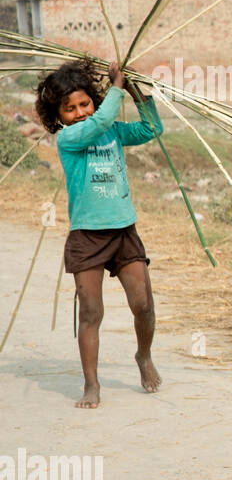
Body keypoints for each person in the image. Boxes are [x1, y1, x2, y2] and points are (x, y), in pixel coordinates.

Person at [35, 59, 164, 408]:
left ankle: (144, 355)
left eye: (84, 104)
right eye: (69, 109)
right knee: (91, 313)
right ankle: (91, 384)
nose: (79, 112)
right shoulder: (70, 138)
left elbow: (153, 128)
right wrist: (117, 88)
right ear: (58, 116)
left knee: (144, 305)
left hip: (123, 232)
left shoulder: (113, 130)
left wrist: (136, 91)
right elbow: (101, 120)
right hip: (87, 238)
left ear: (94, 100)